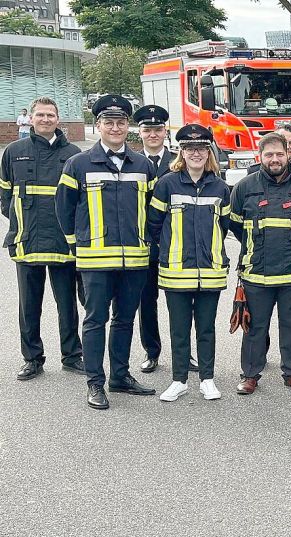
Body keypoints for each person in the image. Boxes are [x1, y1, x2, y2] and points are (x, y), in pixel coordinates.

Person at [56, 94, 158, 409]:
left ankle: (120, 376)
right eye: (108, 122)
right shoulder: (78, 164)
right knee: (95, 320)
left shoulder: (143, 164)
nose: (115, 127)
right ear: (98, 125)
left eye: (121, 122)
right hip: (95, 260)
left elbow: (153, 210)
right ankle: (95, 383)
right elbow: (64, 209)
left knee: (125, 319)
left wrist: (148, 242)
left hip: (135, 260)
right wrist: (78, 245)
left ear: (128, 127)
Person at [229, 132, 291, 395]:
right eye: (269, 154)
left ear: (288, 154)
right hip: (256, 274)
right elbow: (236, 226)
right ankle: (250, 374)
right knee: (254, 328)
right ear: (260, 157)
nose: (275, 159)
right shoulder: (244, 187)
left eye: (279, 154)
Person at [1, 97, 84, 381]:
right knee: (29, 306)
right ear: (30, 119)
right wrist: (20, 221)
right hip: (27, 241)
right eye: (40, 115)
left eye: (50, 115)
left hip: (63, 243)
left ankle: (72, 356)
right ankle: (32, 359)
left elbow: (80, 202)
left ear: (58, 120)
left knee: (67, 303)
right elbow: (5, 197)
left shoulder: (73, 154)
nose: (46, 120)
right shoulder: (14, 152)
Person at [148, 124, 230, 401]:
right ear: (181, 152)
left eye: (202, 149)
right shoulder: (167, 184)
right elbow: (154, 225)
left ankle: (207, 379)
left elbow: (225, 226)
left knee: (206, 328)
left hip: (210, 270)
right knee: (179, 329)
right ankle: (179, 380)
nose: (196, 153)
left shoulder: (220, 187)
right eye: (190, 149)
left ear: (209, 153)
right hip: (176, 270)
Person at [132, 104, 173, 374]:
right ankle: (152, 351)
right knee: (146, 303)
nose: (153, 134)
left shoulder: (179, 161)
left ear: (165, 131)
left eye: (158, 129)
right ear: (140, 133)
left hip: (175, 244)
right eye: (148, 130)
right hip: (144, 244)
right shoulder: (132, 163)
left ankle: (186, 352)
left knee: (181, 304)